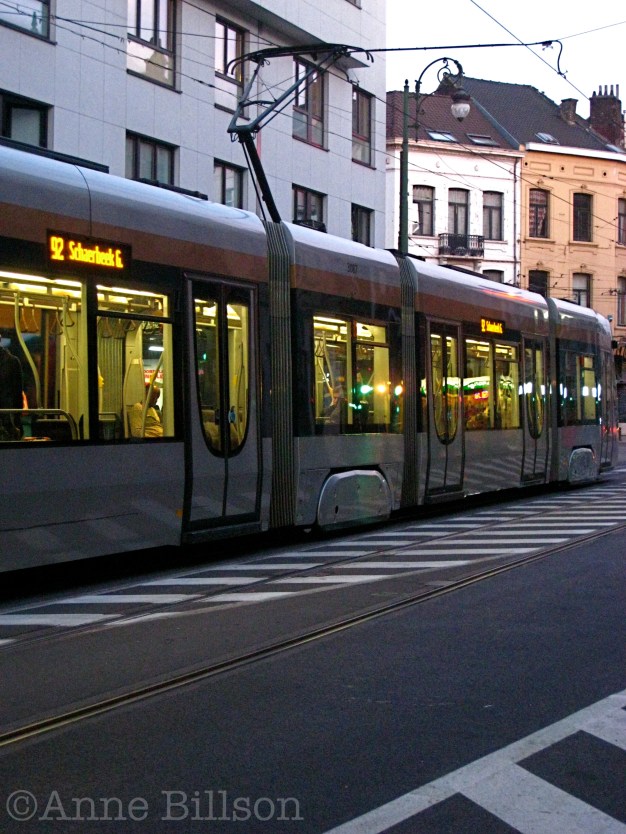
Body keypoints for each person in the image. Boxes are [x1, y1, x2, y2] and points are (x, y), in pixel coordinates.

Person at [0, 340, 24, 440]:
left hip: (7, 420)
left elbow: (17, 396)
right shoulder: (12, 362)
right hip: (8, 418)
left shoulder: (12, 362)